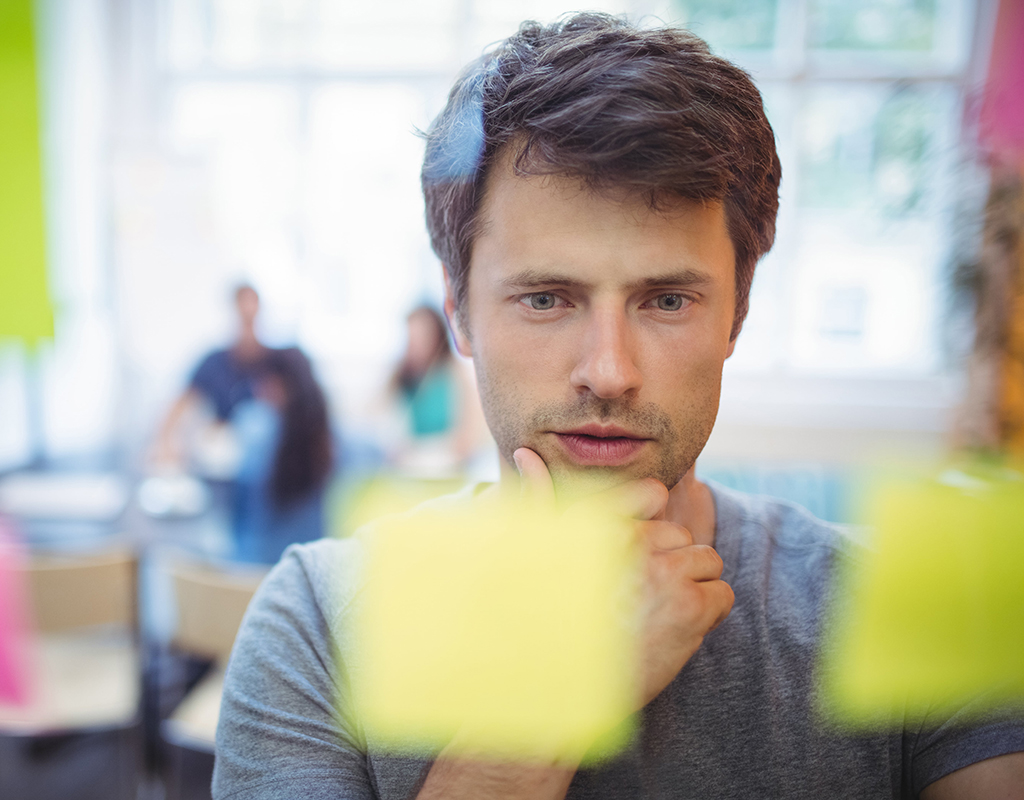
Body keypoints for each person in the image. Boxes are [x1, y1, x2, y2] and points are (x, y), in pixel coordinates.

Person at [212, 13, 1024, 800]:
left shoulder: (902, 602)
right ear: (458, 310)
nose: (608, 372)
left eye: (666, 301)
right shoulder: (315, 622)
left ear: (737, 312)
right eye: (545, 299)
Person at [150, 283, 270, 471]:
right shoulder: (214, 362)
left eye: (251, 317)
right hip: (225, 457)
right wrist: (165, 441)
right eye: (242, 315)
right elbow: (179, 404)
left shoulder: (276, 362)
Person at [230, 347, 334, 564]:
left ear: (274, 384)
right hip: (313, 571)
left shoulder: (254, 428)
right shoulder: (337, 442)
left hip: (252, 574)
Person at [384, 305, 486, 477]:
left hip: (446, 471)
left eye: (422, 336)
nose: (416, 344)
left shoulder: (455, 374)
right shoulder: (400, 377)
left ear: (437, 336)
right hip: (405, 471)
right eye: (411, 336)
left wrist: (421, 452)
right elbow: (385, 425)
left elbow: (466, 439)